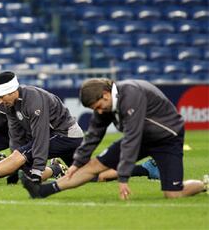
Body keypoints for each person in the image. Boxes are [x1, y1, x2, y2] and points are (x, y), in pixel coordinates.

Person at [21, 78, 208, 199]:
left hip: (167, 138)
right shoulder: (106, 104)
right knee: (94, 166)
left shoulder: (131, 94)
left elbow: (132, 138)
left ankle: (204, 184)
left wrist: (124, 178)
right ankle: (43, 191)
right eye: (95, 109)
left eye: (99, 106)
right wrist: (77, 163)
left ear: (106, 94)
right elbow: (93, 135)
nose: (99, 111)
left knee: (173, 194)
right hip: (142, 137)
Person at [0, 71, 84, 186]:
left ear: (12, 91)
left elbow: (41, 136)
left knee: (22, 157)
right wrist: (16, 169)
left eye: (1, 97)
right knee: (88, 175)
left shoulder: (33, 100)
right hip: (57, 136)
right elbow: (15, 134)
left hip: (65, 135)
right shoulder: (10, 104)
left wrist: (37, 171)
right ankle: (56, 169)